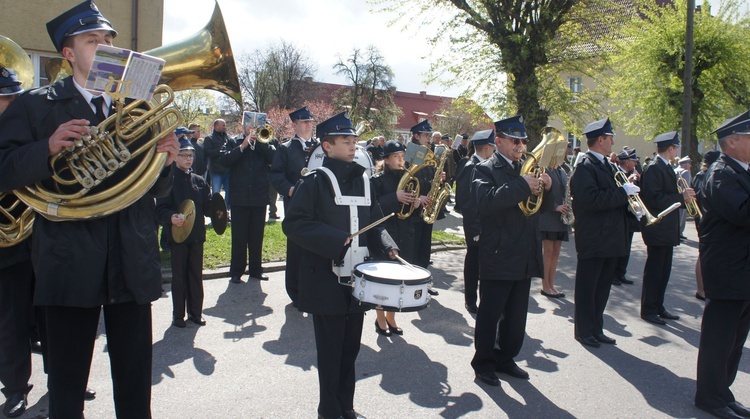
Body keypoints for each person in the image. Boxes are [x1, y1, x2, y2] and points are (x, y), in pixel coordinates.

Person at [0, 2, 180, 417]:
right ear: (68, 53)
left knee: (136, 386)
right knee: (66, 386)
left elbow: (151, 189)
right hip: (68, 260)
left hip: (130, 258)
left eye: (109, 40)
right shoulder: (36, 106)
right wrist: (44, 148)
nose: (105, 46)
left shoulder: (137, 105)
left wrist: (165, 165)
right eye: (92, 40)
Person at [282, 111, 398, 419]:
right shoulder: (314, 182)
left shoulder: (364, 181)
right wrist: (335, 239)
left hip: (359, 283)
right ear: (327, 146)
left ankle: (346, 406)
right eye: (344, 141)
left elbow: (374, 221)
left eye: (354, 140)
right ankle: (329, 410)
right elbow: (294, 224)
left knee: (350, 351)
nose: (352, 145)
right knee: (331, 353)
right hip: (326, 281)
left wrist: (388, 246)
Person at [470, 116, 551, 387]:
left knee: (516, 317)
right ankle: (483, 363)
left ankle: (505, 358)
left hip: (524, 251)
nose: (521, 145)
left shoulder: (526, 169)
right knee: (490, 314)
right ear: (499, 141)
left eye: (523, 140)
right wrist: (522, 185)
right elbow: (486, 203)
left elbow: (537, 207)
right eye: (515, 140)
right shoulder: (484, 169)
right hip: (499, 252)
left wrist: (546, 188)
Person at [694, 110, 750, 419]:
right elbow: (742, 213)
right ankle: (708, 397)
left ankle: (722, 392)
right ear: (732, 142)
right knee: (719, 339)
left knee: (735, 340)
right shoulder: (721, 172)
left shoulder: (741, 171)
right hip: (728, 268)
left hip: (743, 268)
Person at [570, 117, 633, 348]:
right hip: (594, 238)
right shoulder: (585, 166)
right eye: (609, 138)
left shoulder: (608, 165)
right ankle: (584, 330)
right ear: (600, 140)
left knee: (603, 287)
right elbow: (590, 200)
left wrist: (630, 201)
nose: (613, 142)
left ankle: (596, 327)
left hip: (610, 237)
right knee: (588, 288)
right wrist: (623, 193)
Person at [0, 66, 33, 418]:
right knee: (10, 322)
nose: (11, 103)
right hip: (7, 248)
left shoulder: (26, 129)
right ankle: (15, 389)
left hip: (38, 236)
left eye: (13, 96)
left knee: (52, 315)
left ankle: (65, 379)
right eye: (6, 97)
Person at [156, 138, 212, 328]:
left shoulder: (200, 181)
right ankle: (178, 315)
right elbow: (161, 208)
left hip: (196, 236)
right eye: (184, 155)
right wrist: (171, 217)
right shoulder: (168, 180)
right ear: (176, 156)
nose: (189, 159)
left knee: (195, 275)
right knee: (179, 276)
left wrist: (219, 212)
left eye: (191, 155)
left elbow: (207, 206)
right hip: (178, 236)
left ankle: (196, 313)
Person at [639, 131, 693, 326]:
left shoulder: (667, 167)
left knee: (664, 270)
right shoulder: (654, 168)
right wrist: (682, 197)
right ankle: (648, 309)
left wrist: (684, 198)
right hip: (658, 227)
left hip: (667, 228)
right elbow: (654, 199)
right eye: (676, 147)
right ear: (670, 148)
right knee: (655, 271)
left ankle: (658, 305)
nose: (677, 150)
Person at [270, 106, 317, 306]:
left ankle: (313, 290)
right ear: (295, 124)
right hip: (296, 204)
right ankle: (296, 293)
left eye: (310, 121)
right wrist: (289, 189)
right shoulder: (286, 148)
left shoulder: (320, 147)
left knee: (316, 247)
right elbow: (276, 175)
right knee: (297, 248)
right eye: (304, 122)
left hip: (318, 204)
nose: (308, 124)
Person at [221, 113, 276, 283]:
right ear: (243, 126)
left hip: (259, 196)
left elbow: (274, 158)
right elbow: (224, 160)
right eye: (248, 125)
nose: (251, 129)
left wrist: (260, 143)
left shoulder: (266, 141)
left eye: (255, 126)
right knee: (239, 236)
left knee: (256, 236)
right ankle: (237, 271)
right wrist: (243, 146)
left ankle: (256, 269)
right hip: (239, 197)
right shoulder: (233, 141)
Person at [370, 140, 415, 336]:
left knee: (399, 281)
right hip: (384, 233)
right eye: (396, 157)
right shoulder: (377, 180)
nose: (400, 160)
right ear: (386, 160)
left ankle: (391, 316)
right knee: (384, 281)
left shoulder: (408, 178)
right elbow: (373, 207)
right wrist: (394, 197)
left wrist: (417, 200)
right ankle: (380, 319)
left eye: (402, 157)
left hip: (404, 232)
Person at [454, 130, 495, 314]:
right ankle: (470, 300)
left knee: (484, 263)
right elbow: (466, 202)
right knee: (473, 263)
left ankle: (483, 299)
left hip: (487, 223)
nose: (494, 150)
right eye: (493, 146)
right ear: (486, 147)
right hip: (476, 225)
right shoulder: (471, 166)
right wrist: (475, 230)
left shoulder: (486, 165)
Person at [408, 121, 438, 275]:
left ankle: (423, 279)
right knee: (415, 248)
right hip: (415, 209)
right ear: (416, 136)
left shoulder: (427, 151)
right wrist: (419, 196)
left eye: (430, 135)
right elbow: (408, 179)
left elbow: (427, 176)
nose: (429, 139)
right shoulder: (414, 152)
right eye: (426, 135)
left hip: (426, 207)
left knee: (424, 247)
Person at [691, 149, 720, 301]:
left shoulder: (699, 175)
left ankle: (702, 288)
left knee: (703, 252)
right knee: (704, 253)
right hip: (704, 217)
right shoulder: (709, 175)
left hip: (701, 216)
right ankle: (702, 290)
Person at [538, 162, 570, 298]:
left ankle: (551, 285)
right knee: (548, 252)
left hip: (560, 218)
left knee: (556, 252)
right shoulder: (545, 169)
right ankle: (545, 286)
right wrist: (555, 206)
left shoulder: (562, 171)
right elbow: (540, 194)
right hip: (548, 216)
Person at [612, 148, 640, 286]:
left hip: (631, 216)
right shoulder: (617, 175)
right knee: (620, 247)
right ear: (627, 162)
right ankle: (614, 274)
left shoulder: (632, 174)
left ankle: (621, 272)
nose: (635, 164)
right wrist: (627, 183)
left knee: (627, 247)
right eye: (633, 161)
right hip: (621, 215)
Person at [204, 118, 231, 211]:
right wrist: (220, 150)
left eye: (225, 125)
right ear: (216, 126)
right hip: (216, 171)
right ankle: (216, 214)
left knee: (229, 192)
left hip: (227, 170)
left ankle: (227, 212)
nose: (225, 127)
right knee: (216, 193)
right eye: (223, 125)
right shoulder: (209, 138)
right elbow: (207, 153)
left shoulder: (228, 138)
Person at [675, 156, 692, 240]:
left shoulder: (674, 170)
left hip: (675, 196)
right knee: (682, 215)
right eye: (689, 163)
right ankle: (679, 232)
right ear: (686, 164)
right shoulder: (685, 172)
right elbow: (687, 186)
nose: (690, 165)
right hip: (683, 196)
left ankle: (677, 232)